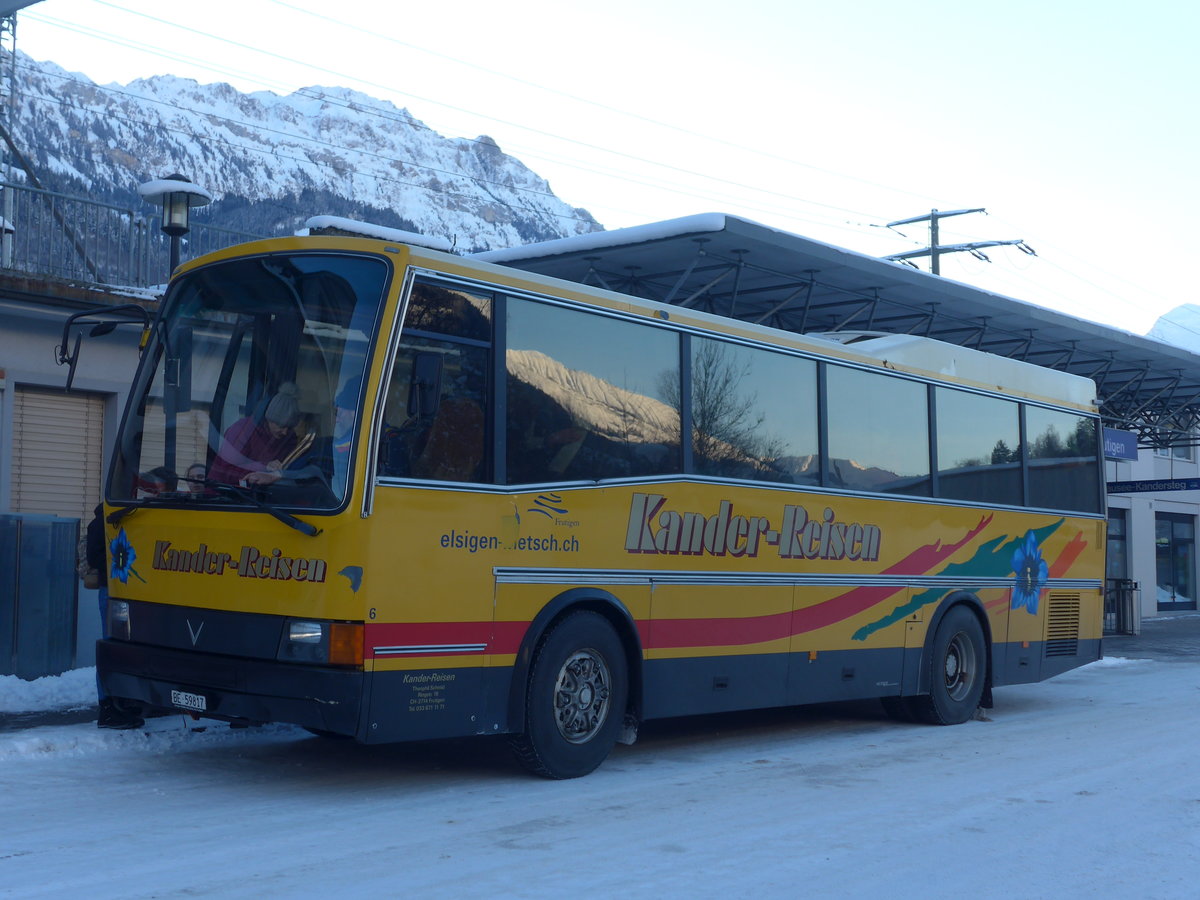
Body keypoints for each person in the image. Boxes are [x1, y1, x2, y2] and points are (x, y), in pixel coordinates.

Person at [247, 374, 359, 501]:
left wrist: (278, 475)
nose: (337, 420)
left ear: (354, 411)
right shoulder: (246, 430)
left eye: (339, 413)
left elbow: (316, 472)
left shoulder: (347, 446)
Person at [86, 503, 144, 730]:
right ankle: (108, 708)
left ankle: (122, 702)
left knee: (123, 647)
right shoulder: (105, 519)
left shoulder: (133, 514)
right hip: (112, 590)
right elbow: (95, 557)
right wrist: (123, 565)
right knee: (111, 646)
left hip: (127, 590)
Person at [207, 383, 301, 485]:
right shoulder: (243, 430)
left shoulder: (289, 438)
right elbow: (226, 471)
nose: (285, 432)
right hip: (222, 490)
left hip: (260, 492)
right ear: (270, 418)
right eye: (281, 425)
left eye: (290, 427)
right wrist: (264, 467)